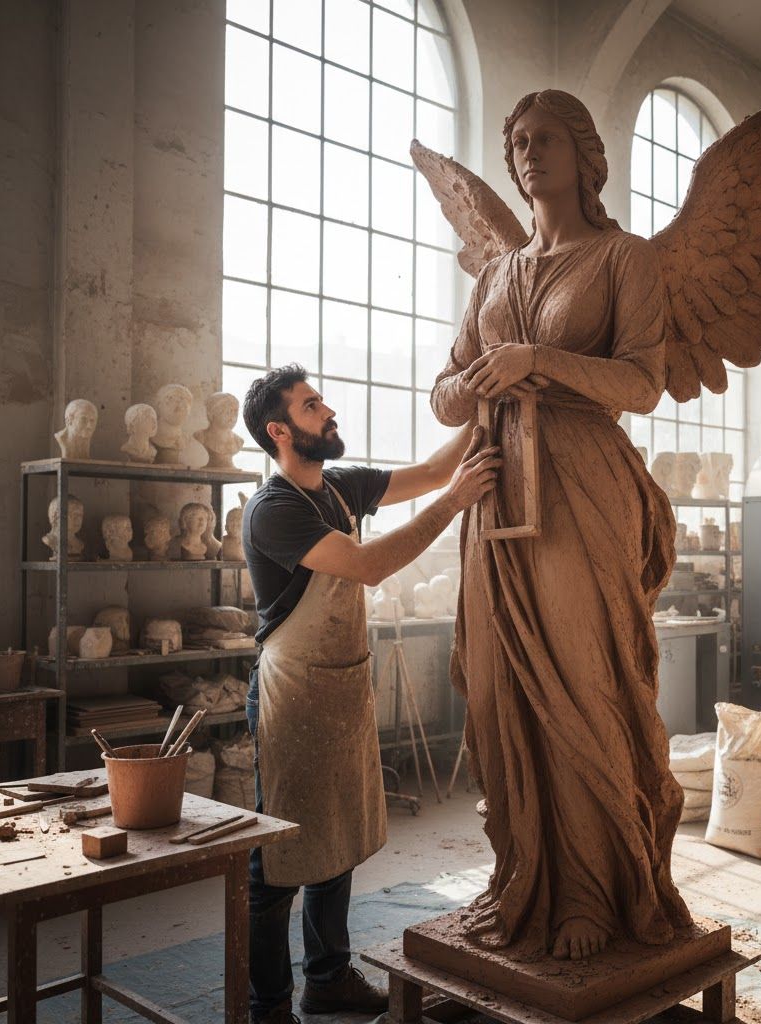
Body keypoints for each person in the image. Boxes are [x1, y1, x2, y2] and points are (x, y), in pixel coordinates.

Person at [429, 90, 690, 963]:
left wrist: (538, 361)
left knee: (582, 684)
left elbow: (643, 383)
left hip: (582, 485)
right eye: (517, 143)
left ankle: (589, 887)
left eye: (545, 140)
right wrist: (473, 386)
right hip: (497, 491)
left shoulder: (625, 258)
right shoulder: (495, 276)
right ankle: (520, 877)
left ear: (585, 156)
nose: (528, 153)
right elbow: (443, 393)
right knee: (501, 693)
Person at [241, 363, 500, 1022]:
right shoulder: (272, 509)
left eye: (322, 400)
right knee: (277, 858)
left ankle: (326, 978)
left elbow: (439, 469)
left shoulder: (338, 486)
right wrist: (455, 504)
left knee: (340, 836)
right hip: (290, 691)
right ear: (279, 430)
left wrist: (491, 400)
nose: (328, 411)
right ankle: (267, 1004)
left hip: (341, 682)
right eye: (310, 406)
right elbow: (369, 564)